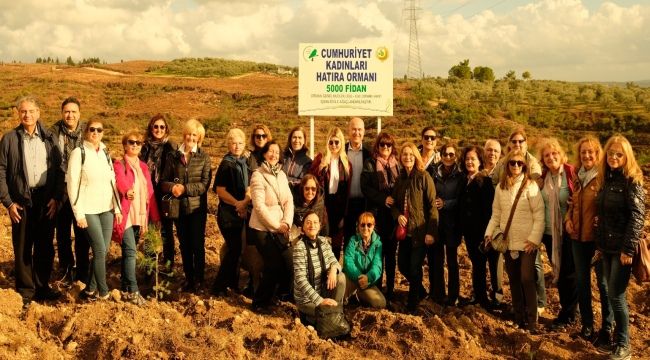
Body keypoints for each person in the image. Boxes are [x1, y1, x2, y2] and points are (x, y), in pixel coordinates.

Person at [0, 95, 64, 306]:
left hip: (45, 199)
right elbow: (1, 170)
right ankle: (26, 292)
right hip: (21, 201)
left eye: (30, 111)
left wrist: (56, 197)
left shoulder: (49, 137)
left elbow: (59, 170)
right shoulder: (9, 139)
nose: (27, 115)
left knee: (45, 245)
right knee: (23, 246)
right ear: (19, 114)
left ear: (38, 113)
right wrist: (8, 202)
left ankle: (42, 286)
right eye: (23, 111)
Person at [594, 135, 645, 360]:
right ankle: (616, 340)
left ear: (627, 157)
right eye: (611, 153)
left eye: (619, 154)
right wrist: (599, 245)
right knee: (609, 292)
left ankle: (624, 345)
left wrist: (627, 249)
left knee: (616, 295)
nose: (613, 157)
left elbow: (637, 217)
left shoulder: (631, 181)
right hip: (606, 247)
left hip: (621, 250)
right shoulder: (607, 179)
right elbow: (603, 217)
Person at [485, 150, 544, 333]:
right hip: (508, 242)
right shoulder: (500, 188)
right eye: (512, 163)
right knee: (514, 280)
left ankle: (532, 321)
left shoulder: (531, 186)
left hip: (527, 242)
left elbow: (539, 215)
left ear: (525, 166)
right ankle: (518, 317)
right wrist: (488, 233)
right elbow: (496, 214)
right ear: (507, 165)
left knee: (527, 279)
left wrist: (534, 239)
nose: (516, 166)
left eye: (520, 163)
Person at [68, 120, 122, 300]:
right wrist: (78, 213)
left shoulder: (105, 153)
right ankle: (104, 291)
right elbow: (72, 184)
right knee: (99, 250)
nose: (96, 132)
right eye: (92, 129)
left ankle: (90, 290)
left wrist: (117, 208)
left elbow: (112, 181)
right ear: (86, 132)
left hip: (106, 209)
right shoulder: (79, 153)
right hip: (88, 210)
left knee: (103, 251)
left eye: (99, 130)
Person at [565, 136, 612, 342]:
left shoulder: (603, 176)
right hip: (577, 237)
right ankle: (587, 326)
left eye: (590, 152)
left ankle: (607, 328)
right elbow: (573, 203)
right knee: (583, 283)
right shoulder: (577, 175)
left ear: (597, 153)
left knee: (603, 284)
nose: (586, 155)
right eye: (583, 152)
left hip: (598, 239)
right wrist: (568, 218)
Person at [160, 119, 211, 293]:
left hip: (197, 209)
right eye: (188, 134)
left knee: (197, 244)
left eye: (194, 135)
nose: (190, 137)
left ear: (199, 137)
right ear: (184, 135)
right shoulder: (173, 156)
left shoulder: (204, 157)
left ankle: (200, 280)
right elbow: (163, 181)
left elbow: (205, 184)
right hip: (178, 208)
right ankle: (189, 279)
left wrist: (184, 189)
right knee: (184, 245)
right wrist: (172, 187)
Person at [113, 131, 160, 305]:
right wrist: (127, 191)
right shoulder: (119, 164)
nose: (134, 145)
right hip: (126, 215)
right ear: (125, 145)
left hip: (139, 216)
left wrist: (155, 217)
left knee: (128, 253)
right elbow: (120, 180)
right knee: (131, 252)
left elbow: (150, 193)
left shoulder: (143, 167)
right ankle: (133, 290)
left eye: (138, 143)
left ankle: (125, 288)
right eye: (131, 142)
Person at [248, 140, 294, 312]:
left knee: (289, 262)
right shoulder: (257, 175)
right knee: (273, 264)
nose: (274, 155)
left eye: (277, 152)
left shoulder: (281, 175)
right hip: (262, 228)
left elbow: (289, 200)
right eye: (270, 151)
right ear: (264, 154)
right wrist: (276, 226)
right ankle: (259, 302)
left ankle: (279, 296)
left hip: (281, 226)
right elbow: (259, 207)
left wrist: (287, 222)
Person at [537, 138, 578, 330]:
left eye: (554, 153)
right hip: (548, 233)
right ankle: (567, 310)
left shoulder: (571, 172)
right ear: (542, 159)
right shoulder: (543, 177)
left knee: (568, 273)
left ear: (561, 154)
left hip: (568, 231)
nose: (551, 157)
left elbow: (579, 197)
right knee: (558, 270)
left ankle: (569, 314)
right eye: (546, 155)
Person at [392, 142, 438, 312]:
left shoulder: (423, 177)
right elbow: (395, 204)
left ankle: (412, 305)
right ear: (401, 157)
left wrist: (431, 232)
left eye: (411, 154)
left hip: (420, 232)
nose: (407, 157)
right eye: (404, 154)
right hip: (405, 233)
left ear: (416, 157)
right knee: (403, 266)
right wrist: (398, 216)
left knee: (414, 267)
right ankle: (421, 290)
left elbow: (432, 206)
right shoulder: (400, 179)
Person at [49, 96, 88, 284]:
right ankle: (66, 268)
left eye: (73, 112)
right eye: (67, 112)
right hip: (61, 189)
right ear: (62, 113)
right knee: (63, 232)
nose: (70, 115)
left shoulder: (88, 131)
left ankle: (82, 271)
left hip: (83, 190)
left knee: (82, 232)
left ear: (79, 114)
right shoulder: (53, 132)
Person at [211, 128, 251, 296]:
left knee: (235, 249)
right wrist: (238, 204)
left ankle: (232, 284)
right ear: (228, 144)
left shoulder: (243, 162)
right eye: (233, 143)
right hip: (228, 213)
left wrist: (245, 202)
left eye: (240, 143)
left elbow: (248, 186)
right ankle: (218, 286)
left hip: (240, 211)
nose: (237, 146)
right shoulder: (227, 163)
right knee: (234, 249)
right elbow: (220, 191)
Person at [361, 132, 399, 301]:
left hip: (393, 217)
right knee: (376, 254)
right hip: (376, 216)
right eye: (382, 145)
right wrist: (383, 199)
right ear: (377, 146)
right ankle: (376, 287)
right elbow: (365, 188)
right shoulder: (370, 164)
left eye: (388, 145)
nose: (385, 148)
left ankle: (390, 288)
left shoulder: (397, 164)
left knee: (391, 254)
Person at [458, 145, 496, 308]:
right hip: (469, 232)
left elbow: (488, 210)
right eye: (467, 159)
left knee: (481, 265)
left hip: (481, 231)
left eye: (473, 159)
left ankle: (483, 299)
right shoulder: (463, 180)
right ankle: (478, 295)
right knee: (476, 263)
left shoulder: (485, 182)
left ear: (480, 161)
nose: (469, 162)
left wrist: (486, 234)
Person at [139, 114, 177, 273]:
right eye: (156, 126)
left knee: (166, 231)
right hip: (147, 194)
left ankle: (168, 266)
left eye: (162, 127)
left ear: (166, 129)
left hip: (164, 195)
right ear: (151, 128)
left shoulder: (171, 148)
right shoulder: (143, 147)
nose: (159, 130)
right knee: (148, 231)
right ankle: (149, 268)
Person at [428, 142, 464, 306]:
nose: (448, 157)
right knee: (436, 259)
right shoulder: (434, 172)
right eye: (445, 154)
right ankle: (438, 293)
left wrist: (446, 204)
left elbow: (461, 199)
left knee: (452, 260)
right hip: (436, 222)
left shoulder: (460, 175)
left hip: (453, 223)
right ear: (440, 156)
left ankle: (453, 295)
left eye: (451, 154)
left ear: (455, 156)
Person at [293, 211, 345, 324]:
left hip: (323, 292)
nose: (312, 225)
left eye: (315, 222)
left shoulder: (323, 242)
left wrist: (333, 270)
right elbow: (300, 280)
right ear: (303, 227)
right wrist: (320, 301)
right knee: (327, 314)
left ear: (320, 226)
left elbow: (335, 262)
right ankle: (312, 316)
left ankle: (333, 313)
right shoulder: (299, 247)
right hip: (306, 300)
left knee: (340, 277)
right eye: (308, 222)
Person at [309, 127, 351, 259]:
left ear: (341, 143)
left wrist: (346, 211)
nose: (333, 145)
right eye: (331, 142)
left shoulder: (346, 163)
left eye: (337, 142)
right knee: (323, 238)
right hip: (324, 204)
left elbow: (348, 189)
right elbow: (311, 178)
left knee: (337, 241)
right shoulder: (320, 158)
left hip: (339, 206)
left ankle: (335, 270)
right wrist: (320, 167)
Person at [343, 212, 386, 309]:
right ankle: (350, 295)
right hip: (352, 278)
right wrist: (359, 277)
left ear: (373, 226)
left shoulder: (378, 244)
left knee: (380, 303)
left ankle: (359, 295)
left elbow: (377, 266)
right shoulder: (353, 240)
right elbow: (348, 261)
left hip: (367, 282)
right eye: (362, 225)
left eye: (369, 225)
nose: (365, 228)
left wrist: (368, 278)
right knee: (339, 288)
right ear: (358, 227)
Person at [344, 117, 371, 240]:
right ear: (348, 131)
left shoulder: (369, 154)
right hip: (345, 204)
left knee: (363, 241)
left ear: (364, 132)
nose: (357, 132)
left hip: (363, 203)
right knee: (347, 239)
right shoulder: (341, 151)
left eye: (359, 129)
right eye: (353, 129)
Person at [282, 126, 312, 197]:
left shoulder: (308, 162)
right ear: (290, 139)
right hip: (279, 195)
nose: (297, 140)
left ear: (304, 140)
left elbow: (303, 181)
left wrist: (283, 180)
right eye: (294, 137)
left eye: (300, 138)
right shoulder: (281, 156)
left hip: (296, 198)